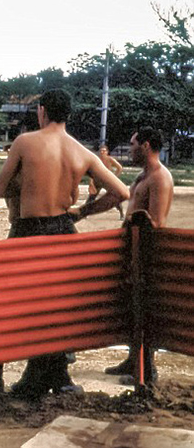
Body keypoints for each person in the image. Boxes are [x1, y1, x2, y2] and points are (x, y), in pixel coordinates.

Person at [0, 89, 130, 399]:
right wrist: (82, 211)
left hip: (28, 230)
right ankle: (56, 373)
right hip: (63, 230)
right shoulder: (82, 152)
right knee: (60, 305)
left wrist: (29, 181)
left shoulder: (25, 142)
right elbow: (121, 192)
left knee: (20, 305)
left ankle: (30, 375)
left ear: (42, 111)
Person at [104, 126, 174, 385]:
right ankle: (133, 359)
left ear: (146, 146)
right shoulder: (143, 176)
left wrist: (135, 222)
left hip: (146, 254)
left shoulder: (160, 178)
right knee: (130, 307)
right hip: (132, 250)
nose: (130, 149)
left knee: (143, 309)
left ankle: (147, 369)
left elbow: (156, 221)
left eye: (133, 145)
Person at [86, 144, 125, 219]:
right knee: (91, 197)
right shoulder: (97, 159)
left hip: (107, 180)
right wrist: (91, 182)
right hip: (98, 180)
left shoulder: (110, 159)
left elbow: (119, 168)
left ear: (107, 152)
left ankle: (121, 214)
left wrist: (114, 177)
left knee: (115, 196)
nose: (102, 152)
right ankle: (84, 213)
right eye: (101, 151)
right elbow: (91, 171)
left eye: (104, 151)